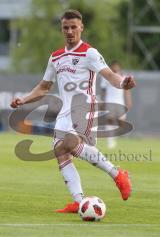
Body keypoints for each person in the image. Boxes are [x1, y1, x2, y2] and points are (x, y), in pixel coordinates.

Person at [10, 9, 136, 213]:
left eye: (73, 27)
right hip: (64, 112)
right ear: (62, 29)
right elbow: (44, 86)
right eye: (66, 28)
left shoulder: (89, 53)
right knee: (60, 152)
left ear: (81, 28)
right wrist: (23, 100)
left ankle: (117, 174)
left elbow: (110, 75)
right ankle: (79, 202)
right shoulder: (56, 57)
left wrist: (123, 83)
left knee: (67, 145)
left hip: (84, 108)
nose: (70, 31)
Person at [100, 60, 132, 149]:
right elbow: (103, 90)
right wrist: (102, 101)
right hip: (109, 101)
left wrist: (128, 101)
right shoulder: (106, 77)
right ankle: (110, 140)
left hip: (120, 101)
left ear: (119, 67)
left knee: (121, 122)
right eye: (113, 66)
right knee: (110, 120)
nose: (115, 68)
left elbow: (127, 91)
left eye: (116, 66)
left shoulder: (124, 77)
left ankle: (114, 137)